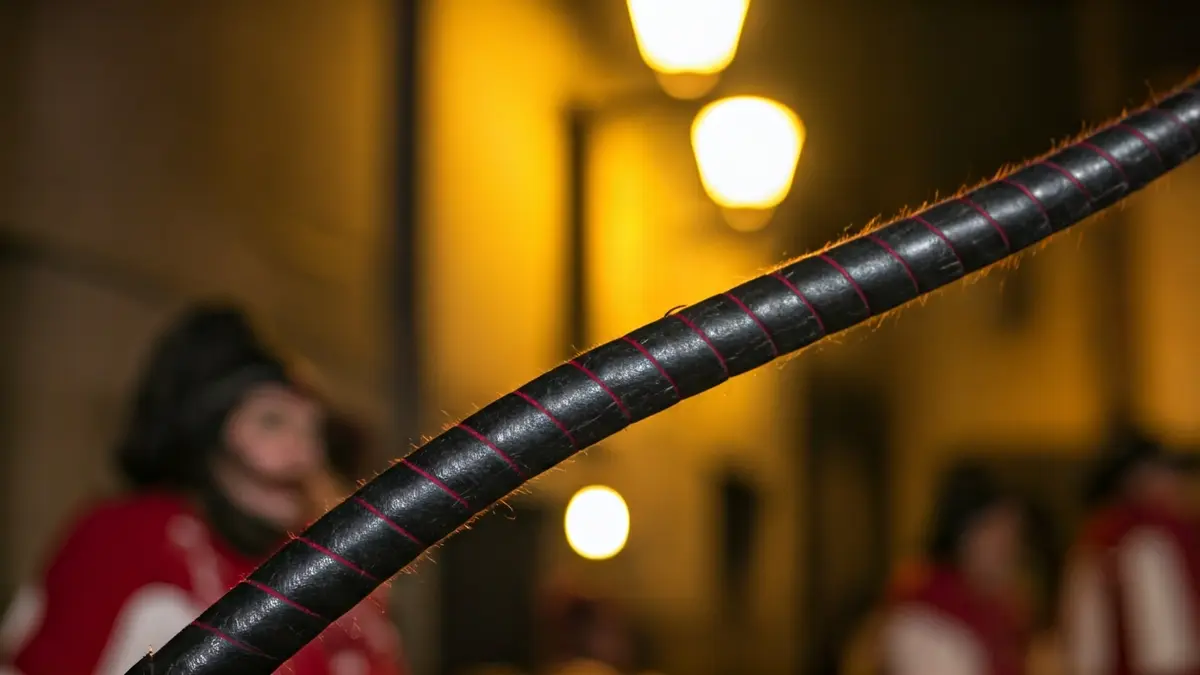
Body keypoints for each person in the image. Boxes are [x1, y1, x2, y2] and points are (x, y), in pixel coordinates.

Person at [0, 304, 405, 675]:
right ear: (210, 435)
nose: (305, 454)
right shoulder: (128, 536)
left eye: (312, 429)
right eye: (271, 422)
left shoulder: (308, 548)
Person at [1062, 433, 1200, 675]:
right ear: (1137, 480)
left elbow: (1085, 650)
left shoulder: (1097, 541)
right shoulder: (1148, 541)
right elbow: (1166, 653)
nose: (1178, 483)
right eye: (1167, 473)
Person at [882, 463, 1030, 675]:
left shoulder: (1001, 612)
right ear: (963, 535)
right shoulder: (924, 619)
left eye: (1015, 536)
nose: (1011, 550)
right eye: (999, 535)